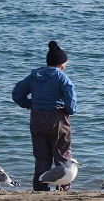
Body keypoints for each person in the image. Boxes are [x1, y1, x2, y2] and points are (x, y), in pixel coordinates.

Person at [12, 40, 77, 191]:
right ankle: (63, 186)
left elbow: (17, 93)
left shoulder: (34, 76)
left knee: (41, 156)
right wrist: (68, 110)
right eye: (65, 65)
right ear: (61, 65)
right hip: (57, 120)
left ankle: (40, 186)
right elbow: (71, 99)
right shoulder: (62, 77)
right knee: (62, 154)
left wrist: (28, 104)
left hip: (37, 119)